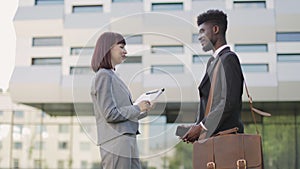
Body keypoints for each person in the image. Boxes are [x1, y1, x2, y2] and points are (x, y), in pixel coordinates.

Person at [90, 32, 152, 169]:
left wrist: (143, 109)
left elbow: (121, 112)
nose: (125, 51)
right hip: (116, 140)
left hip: (126, 138)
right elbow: (110, 114)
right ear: (108, 48)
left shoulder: (113, 75)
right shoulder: (103, 76)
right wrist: (137, 108)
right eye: (121, 47)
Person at [182, 9, 244, 143]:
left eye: (203, 31)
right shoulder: (213, 61)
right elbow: (210, 101)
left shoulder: (228, 59)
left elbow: (228, 102)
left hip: (227, 140)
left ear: (215, 29)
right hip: (214, 139)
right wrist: (196, 126)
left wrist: (202, 127)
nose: (199, 37)